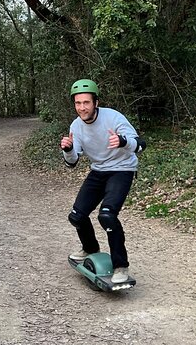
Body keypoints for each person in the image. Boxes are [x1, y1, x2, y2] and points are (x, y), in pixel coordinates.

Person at [60, 79, 146, 283]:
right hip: (98, 171)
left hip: (122, 169)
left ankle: (120, 266)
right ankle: (90, 248)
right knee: (77, 216)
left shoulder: (113, 117)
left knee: (107, 216)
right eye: (78, 103)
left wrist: (123, 141)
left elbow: (140, 145)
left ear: (96, 103)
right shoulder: (76, 126)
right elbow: (72, 163)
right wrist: (68, 150)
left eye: (86, 103)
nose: (82, 108)